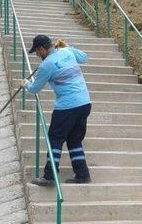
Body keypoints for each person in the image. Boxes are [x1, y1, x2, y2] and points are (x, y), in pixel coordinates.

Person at [20, 35, 92, 186]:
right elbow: (84, 57)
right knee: (74, 140)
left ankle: (50, 175)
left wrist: (26, 84)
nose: (38, 56)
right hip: (85, 103)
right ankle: (82, 174)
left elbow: (35, 88)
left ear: (42, 49)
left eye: (37, 52)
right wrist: (68, 46)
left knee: (55, 139)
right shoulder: (67, 52)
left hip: (67, 106)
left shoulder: (46, 65)